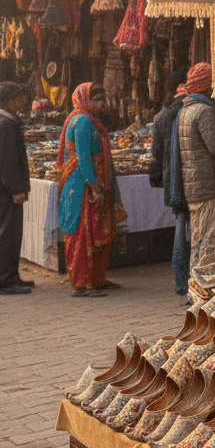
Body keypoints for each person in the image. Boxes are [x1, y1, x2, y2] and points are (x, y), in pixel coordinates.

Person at [177, 62, 215, 269]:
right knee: (211, 243)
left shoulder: (187, 110)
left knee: (199, 241)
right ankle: (206, 292)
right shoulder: (204, 111)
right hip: (210, 187)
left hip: (197, 187)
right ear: (208, 86)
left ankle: (196, 290)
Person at [58, 82, 117, 297]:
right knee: (83, 234)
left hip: (91, 184)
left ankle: (96, 279)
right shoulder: (82, 121)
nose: (99, 103)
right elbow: (83, 159)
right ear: (84, 99)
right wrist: (95, 188)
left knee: (96, 231)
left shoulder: (91, 120)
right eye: (95, 99)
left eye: (101, 99)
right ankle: (81, 284)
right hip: (83, 186)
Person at [150, 71, 189, 295]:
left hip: (172, 179)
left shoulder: (161, 116)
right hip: (189, 177)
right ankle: (186, 280)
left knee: (180, 227)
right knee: (187, 231)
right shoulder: (191, 111)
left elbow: (156, 152)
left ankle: (180, 281)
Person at [0, 83, 33, 294]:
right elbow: (9, 161)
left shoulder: (7, 122)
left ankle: (12, 275)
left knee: (10, 234)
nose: (21, 102)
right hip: (6, 193)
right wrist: (15, 189)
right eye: (18, 98)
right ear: (9, 100)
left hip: (5, 190)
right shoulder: (7, 124)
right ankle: (6, 280)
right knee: (8, 235)